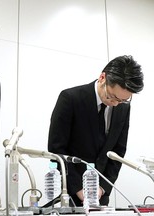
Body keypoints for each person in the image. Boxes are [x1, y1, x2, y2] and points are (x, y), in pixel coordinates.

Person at [48, 55, 144, 206]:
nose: (116, 104)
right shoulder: (70, 99)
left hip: (100, 194)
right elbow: (56, 149)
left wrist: (103, 188)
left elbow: (118, 152)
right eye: (112, 97)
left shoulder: (123, 107)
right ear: (102, 78)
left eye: (123, 100)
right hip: (72, 192)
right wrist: (78, 188)